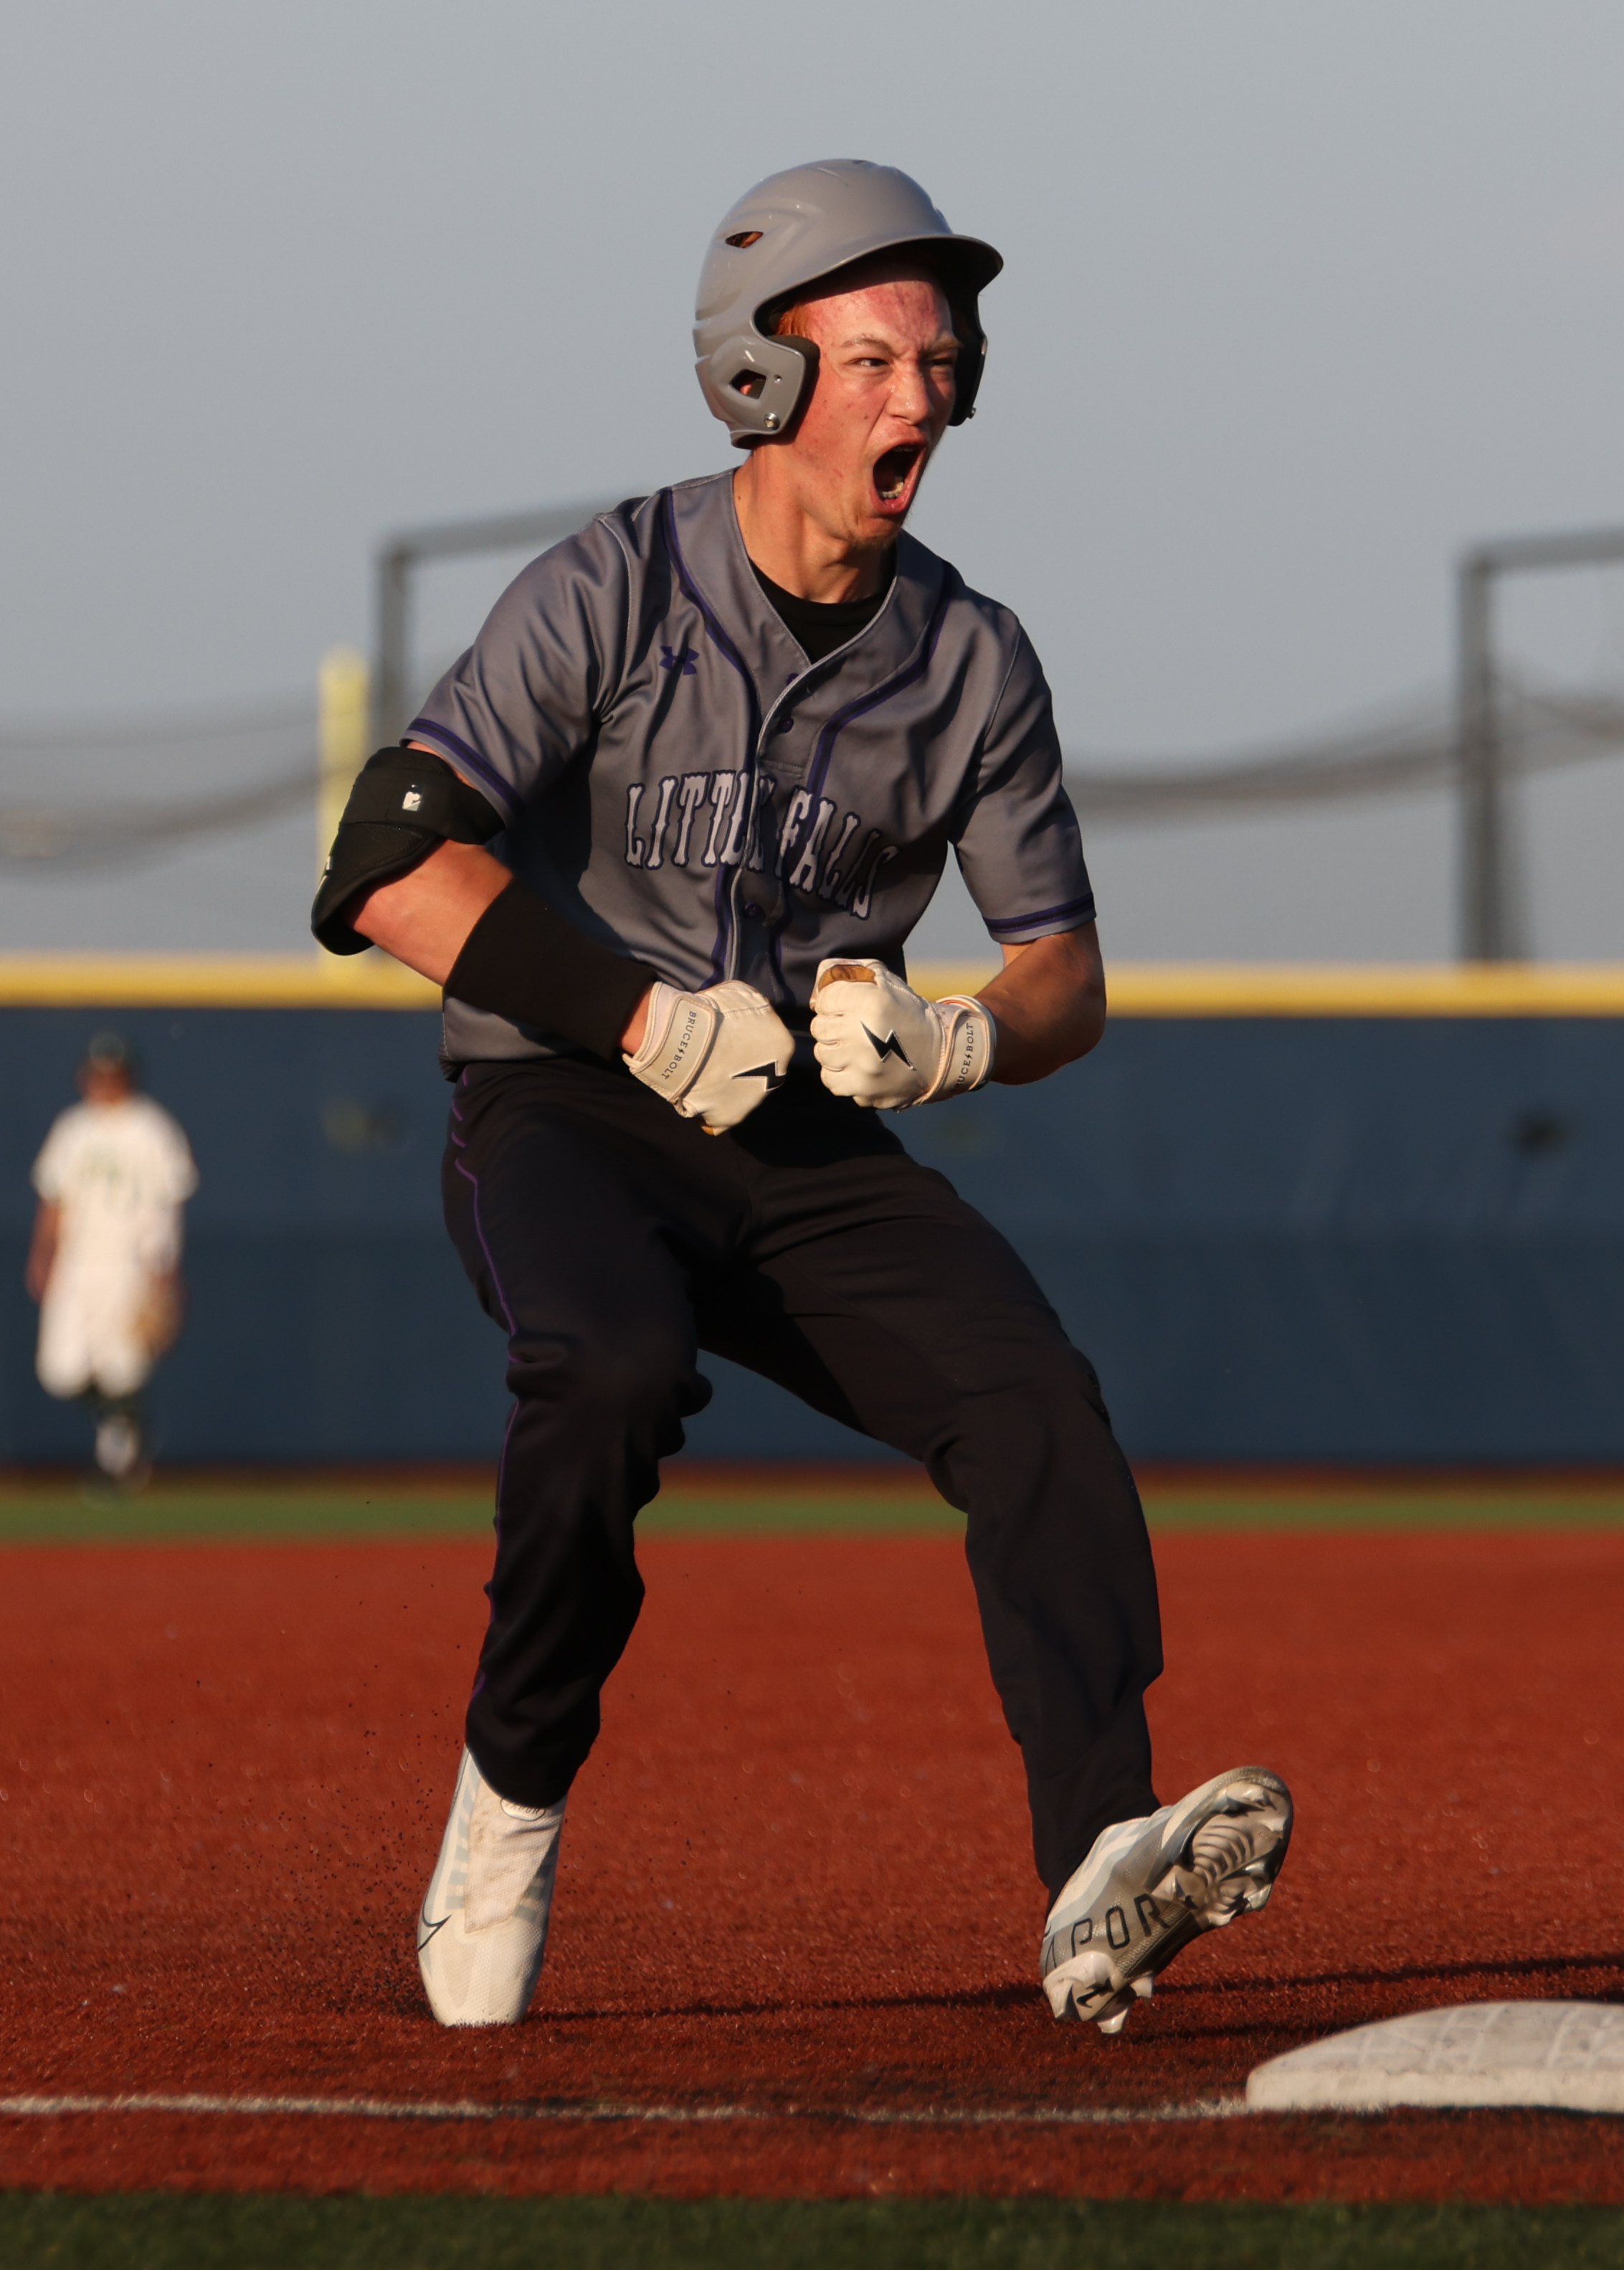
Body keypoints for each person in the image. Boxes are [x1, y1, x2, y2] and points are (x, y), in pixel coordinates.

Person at [312, 160, 1293, 2033]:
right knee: (604, 1369)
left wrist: (958, 1038)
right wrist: (639, 1018)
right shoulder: (609, 582)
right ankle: (504, 1819)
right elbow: (387, 864)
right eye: (869, 359)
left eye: (937, 358)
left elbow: (1062, 965)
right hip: (569, 1104)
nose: (915, 397)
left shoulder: (972, 657)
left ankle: (1099, 1860)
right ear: (754, 378)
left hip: (803, 1136)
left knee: (1035, 1403)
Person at [27, 1032, 197, 1490]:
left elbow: (169, 1207)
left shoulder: (152, 1128)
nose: (102, 1083)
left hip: (129, 1264)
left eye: (111, 1074)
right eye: (96, 1074)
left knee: (122, 1367)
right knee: (59, 1372)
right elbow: (54, 1198)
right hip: (76, 1261)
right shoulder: (74, 1127)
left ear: (127, 1076)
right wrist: (42, 1255)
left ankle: (119, 1465)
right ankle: (127, 1429)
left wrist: (165, 1274)